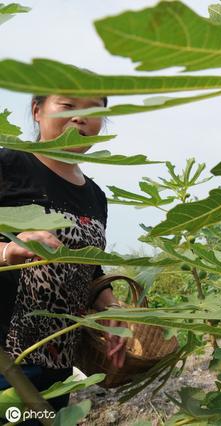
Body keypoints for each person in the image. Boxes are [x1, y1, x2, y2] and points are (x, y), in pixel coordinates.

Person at [0, 94, 126, 413]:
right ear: (37, 111)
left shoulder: (96, 196)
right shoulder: (10, 165)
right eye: (68, 105)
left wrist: (112, 309)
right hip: (7, 357)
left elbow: (88, 268)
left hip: (59, 363)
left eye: (93, 109)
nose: (80, 117)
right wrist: (8, 252)